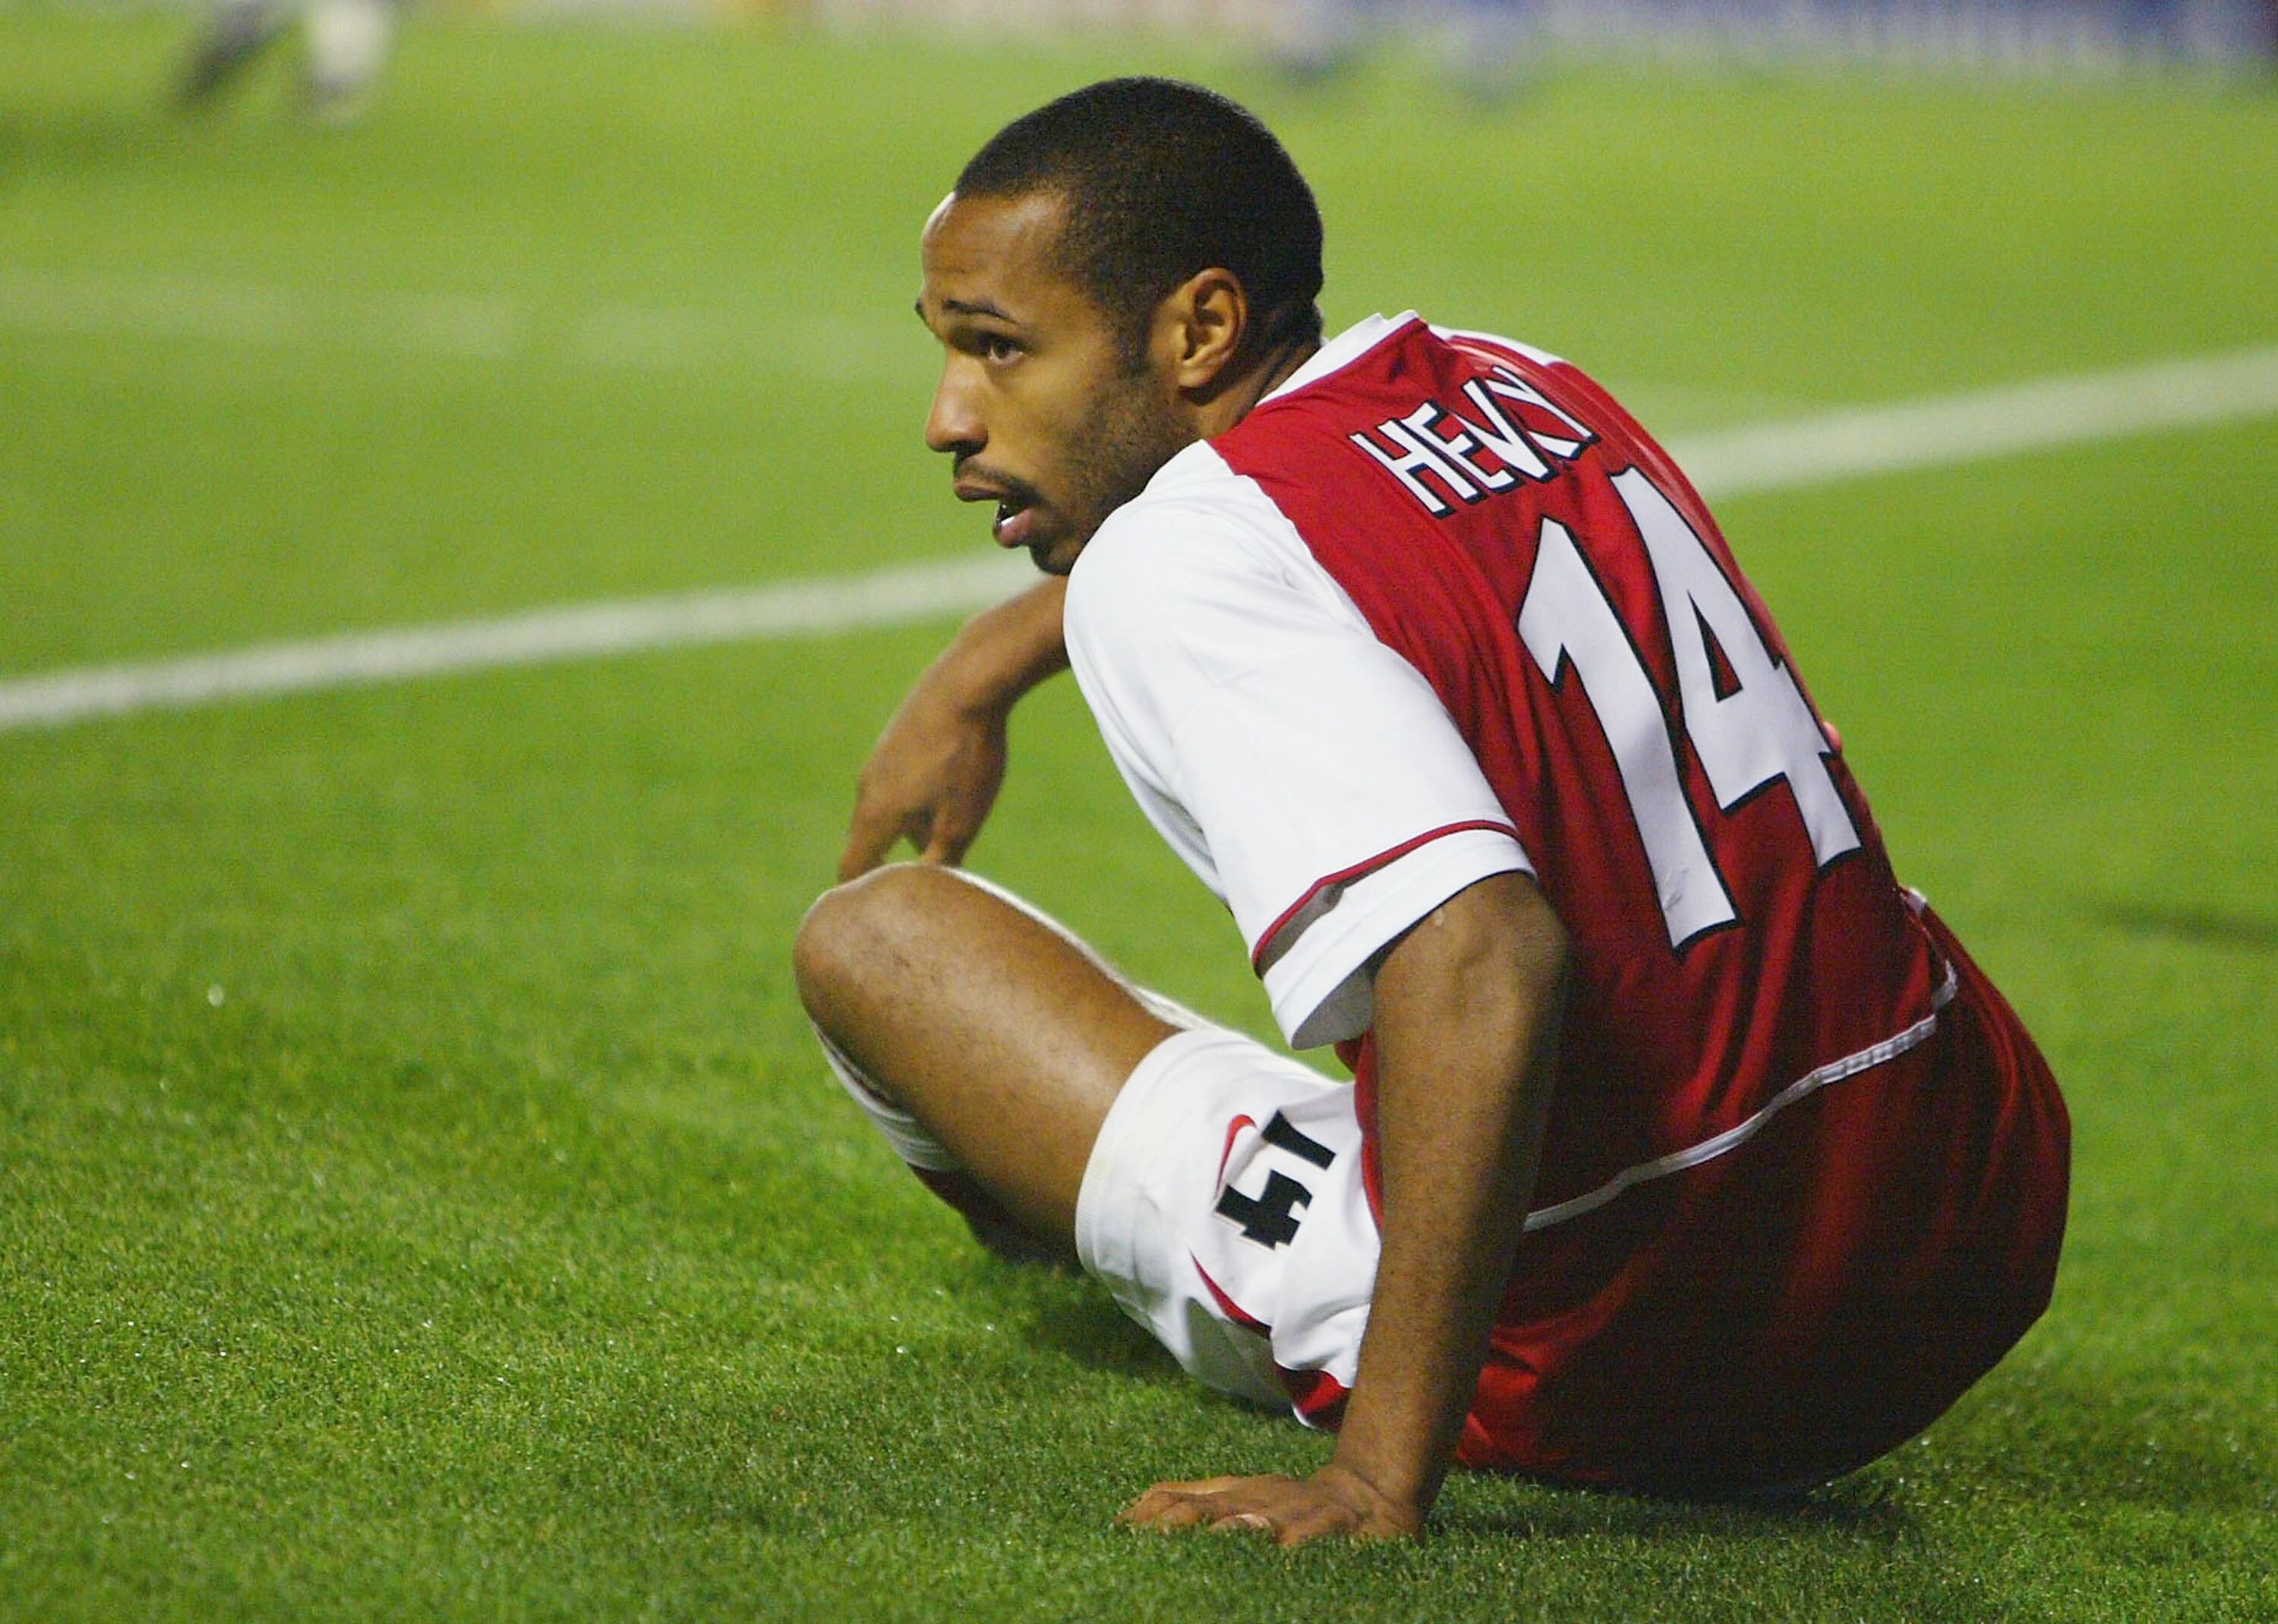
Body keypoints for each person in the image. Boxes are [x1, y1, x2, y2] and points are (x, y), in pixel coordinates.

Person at [791, 77, 2069, 1547]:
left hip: (1654, 1339)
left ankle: (1185, 1255)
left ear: (1201, 331)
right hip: (1961, 1197)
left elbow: (1485, 955)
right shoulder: (1515, 374)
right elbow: (1320, 540)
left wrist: (1376, 1477)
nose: (949, 416)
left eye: (999, 351)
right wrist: (990, 658)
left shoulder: (1171, 568)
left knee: (878, 948)